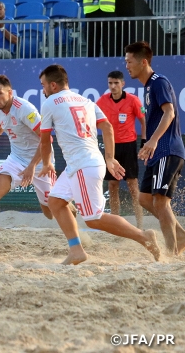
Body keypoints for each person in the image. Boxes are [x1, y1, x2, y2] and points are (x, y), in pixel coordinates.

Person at [38, 64, 160, 265]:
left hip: (82, 165)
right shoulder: (86, 101)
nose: (42, 90)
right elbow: (107, 127)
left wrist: (46, 163)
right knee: (56, 202)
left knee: (93, 218)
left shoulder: (50, 102)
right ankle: (76, 250)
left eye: (43, 85)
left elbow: (44, 140)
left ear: (52, 85)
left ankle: (143, 236)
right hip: (83, 163)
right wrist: (110, 158)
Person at [0, 75, 61, 253]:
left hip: (40, 162)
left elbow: (47, 139)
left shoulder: (24, 109)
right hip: (16, 159)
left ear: (10, 93)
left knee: (50, 213)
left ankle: (66, 203)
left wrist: (31, 166)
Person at [125, 42, 185, 256]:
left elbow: (169, 113)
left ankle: (173, 251)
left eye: (129, 61)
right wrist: (149, 146)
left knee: (160, 202)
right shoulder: (148, 86)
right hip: (158, 151)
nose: (126, 66)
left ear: (143, 62)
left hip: (167, 149)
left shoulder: (159, 82)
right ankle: (180, 234)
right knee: (144, 199)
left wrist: (152, 141)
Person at [96, 71, 145, 227]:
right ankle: (117, 223)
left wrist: (144, 141)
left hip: (129, 146)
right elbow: (91, 121)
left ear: (123, 84)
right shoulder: (102, 101)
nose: (113, 86)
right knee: (112, 185)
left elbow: (144, 122)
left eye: (116, 83)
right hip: (111, 147)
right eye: (110, 83)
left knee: (132, 184)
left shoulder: (133, 100)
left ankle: (140, 223)